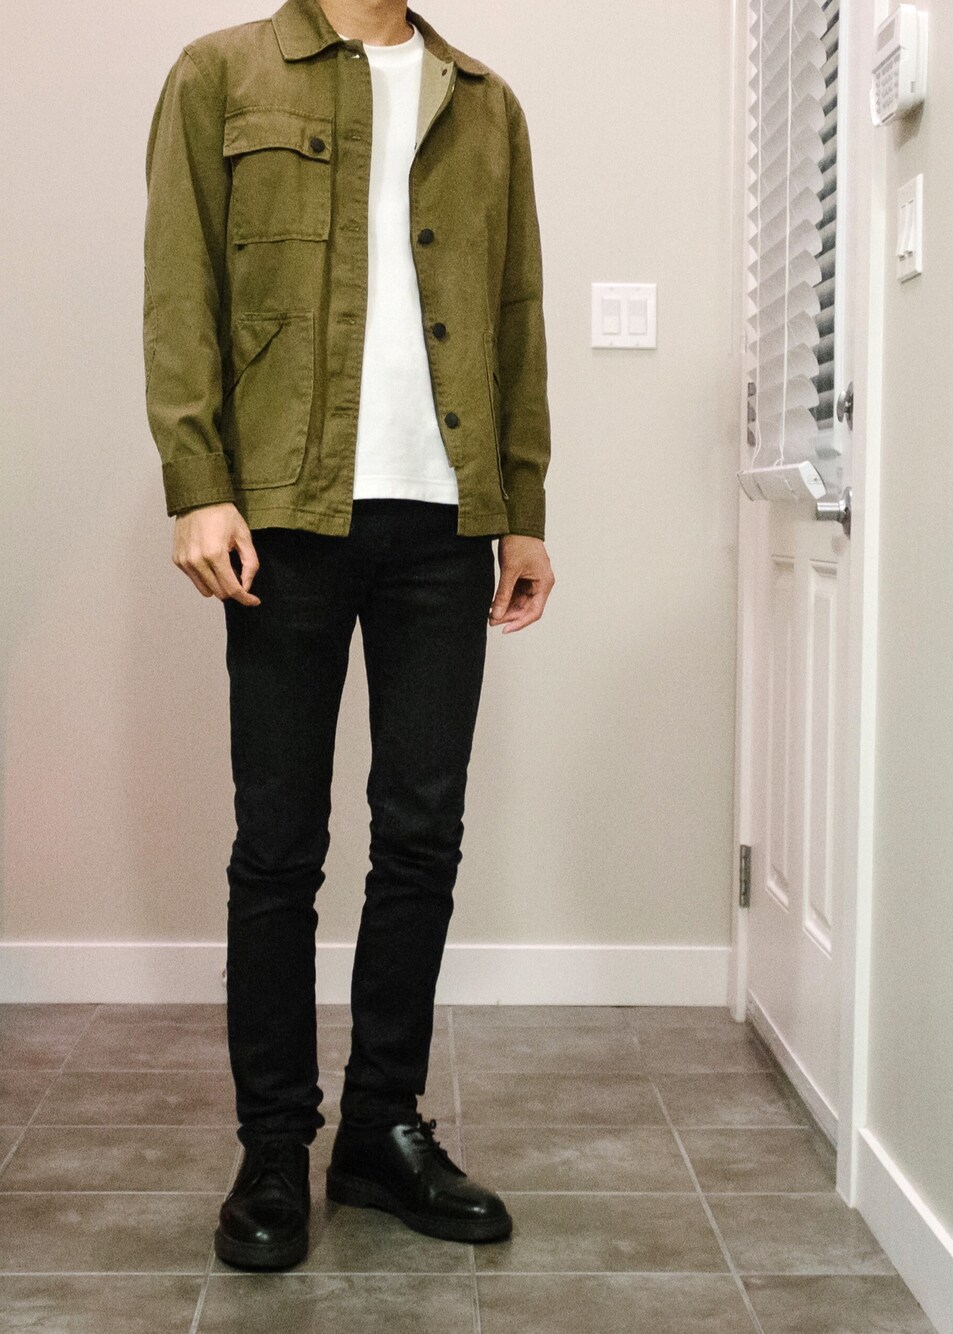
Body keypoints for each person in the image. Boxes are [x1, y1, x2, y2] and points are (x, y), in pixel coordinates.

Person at [143, 0, 554, 1272]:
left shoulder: (483, 101)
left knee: (421, 832)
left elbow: (516, 312)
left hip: (444, 522)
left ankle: (379, 1127)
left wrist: (522, 508)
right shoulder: (221, 74)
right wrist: (196, 482)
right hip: (284, 511)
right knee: (278, 844)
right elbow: (181, 288)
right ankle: (274, 1144)